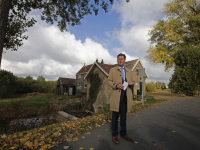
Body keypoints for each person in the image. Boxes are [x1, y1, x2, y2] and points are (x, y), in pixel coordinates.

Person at [108, 53, 134, 144]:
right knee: (115, 117)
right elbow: (109, 81)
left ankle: (123, 133)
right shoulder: (112, 70)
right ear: (117, 60)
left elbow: (134, 80)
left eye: (122, 59)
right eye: (118, 59)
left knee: (123, 117)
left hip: (126, 96)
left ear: (124, 60)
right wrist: (116, 85)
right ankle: (115, 135)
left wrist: (131, 83)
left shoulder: (129, 71)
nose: (120, 60)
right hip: (116, 96)